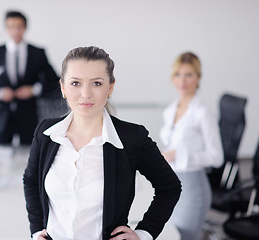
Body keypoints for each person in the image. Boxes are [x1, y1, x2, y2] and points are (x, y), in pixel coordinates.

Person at [23, 46, 181, 240]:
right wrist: (37, 230)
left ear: (110, 87)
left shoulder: (132, 138)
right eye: (75, 83)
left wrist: (144, 233)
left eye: (96, 83)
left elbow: (170, 187)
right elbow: (30, 180)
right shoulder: (46, 133)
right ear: (63, 88)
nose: (85, 94)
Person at [160, 52, 224, 240]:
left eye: (189, 74)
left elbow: (216, 157)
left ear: (198, 78)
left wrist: (179, 154)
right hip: (172, 186)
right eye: (178, 74)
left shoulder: (203, 113)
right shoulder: (170, 110)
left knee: (185, 236)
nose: (183, 80)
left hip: (193, 190)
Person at [0, 10, 59, 146]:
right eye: (11, 27)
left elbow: (55, 81)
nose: (15, 31)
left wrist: (34, 90)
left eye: (19, 27)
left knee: (29, 156)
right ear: (6, 29)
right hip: (3, 116)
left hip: (29, 115)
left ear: (25, 28)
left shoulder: (37, 53)